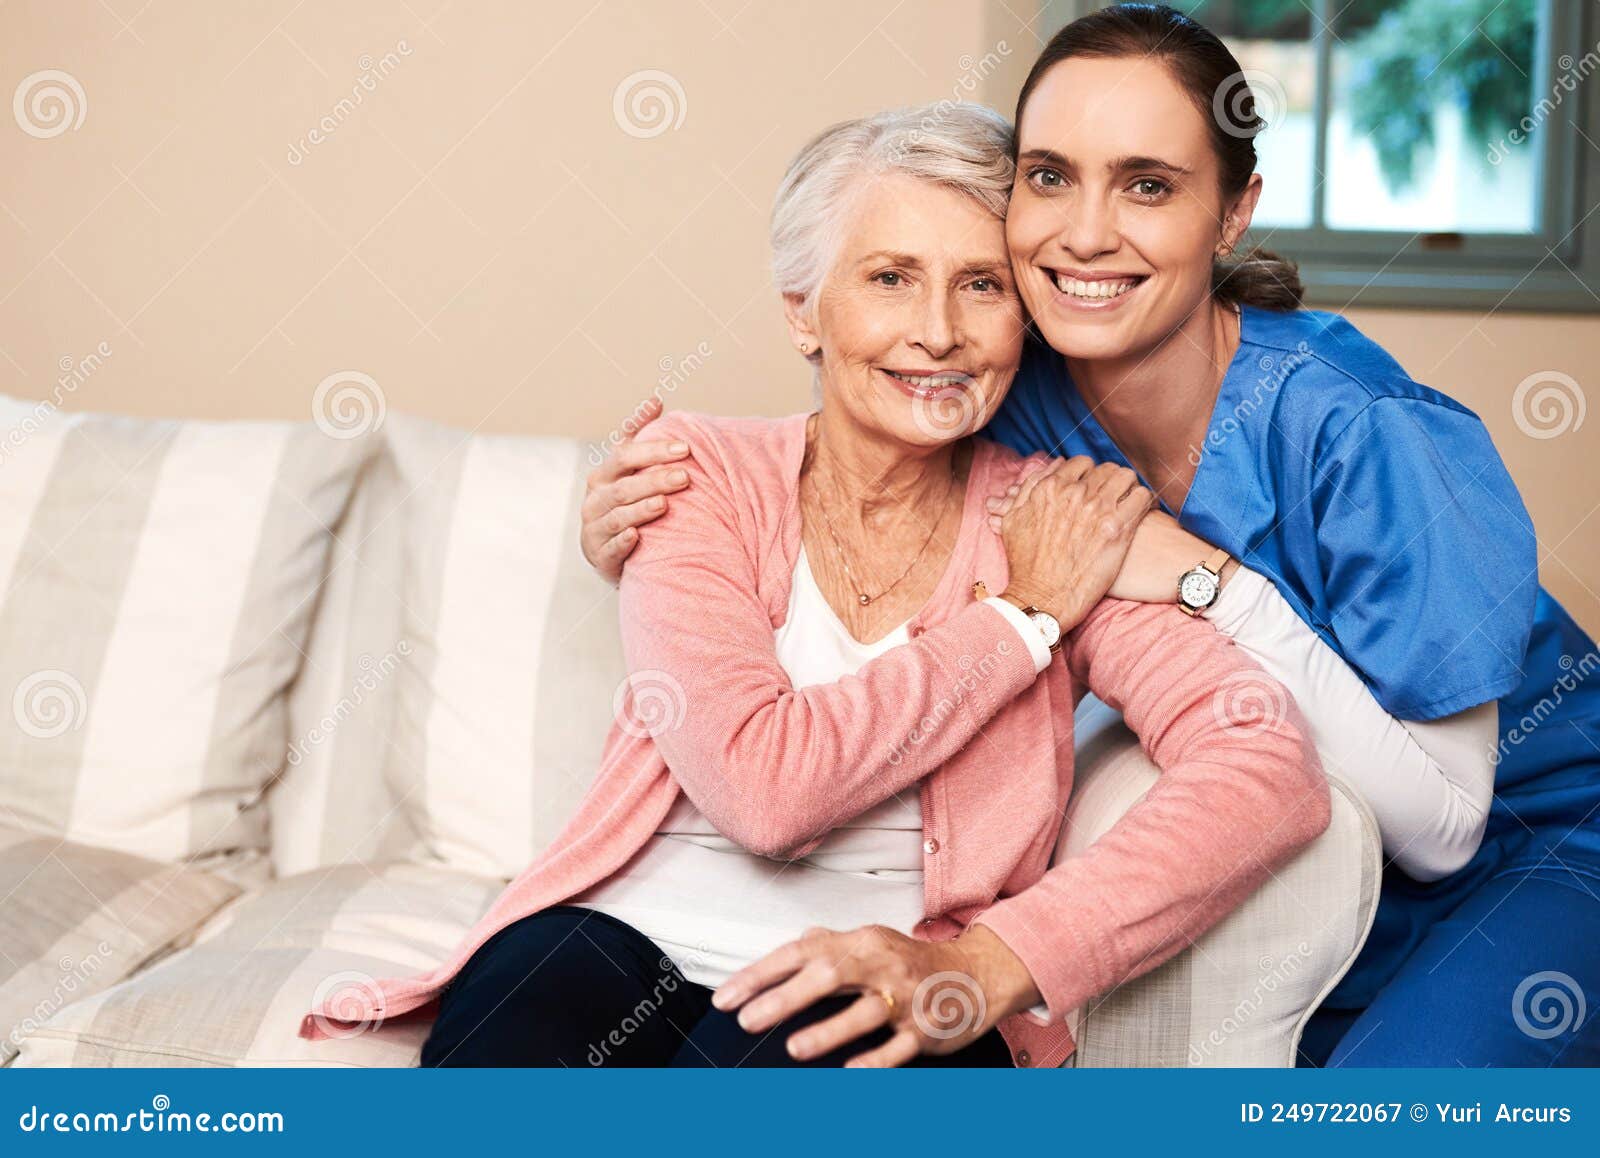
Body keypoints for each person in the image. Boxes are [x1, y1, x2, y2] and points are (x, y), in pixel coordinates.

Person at [578, 4, 1600, 1068]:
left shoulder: (1363, 429)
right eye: (1050, 176)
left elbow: (1444, 830)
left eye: (1148, 185)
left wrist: (1209, 584)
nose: (1084, 233)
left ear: (1233, 212)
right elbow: (838, 462)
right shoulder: (1010, 382)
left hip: (1528, 834)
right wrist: (639, 516)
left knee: (1399, 1105)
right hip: (1333, 862)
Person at [298, 102, 1331, 1068]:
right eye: (889, 278)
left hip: (889, 963)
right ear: (805, 311)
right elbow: (763, 792)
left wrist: (985, 963)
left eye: (983, 286)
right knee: (527, 1010)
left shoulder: (1055, 519)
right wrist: (1020, 622)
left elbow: (1263, 767)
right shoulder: (692, 473)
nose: (939, 331)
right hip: (625, 934)